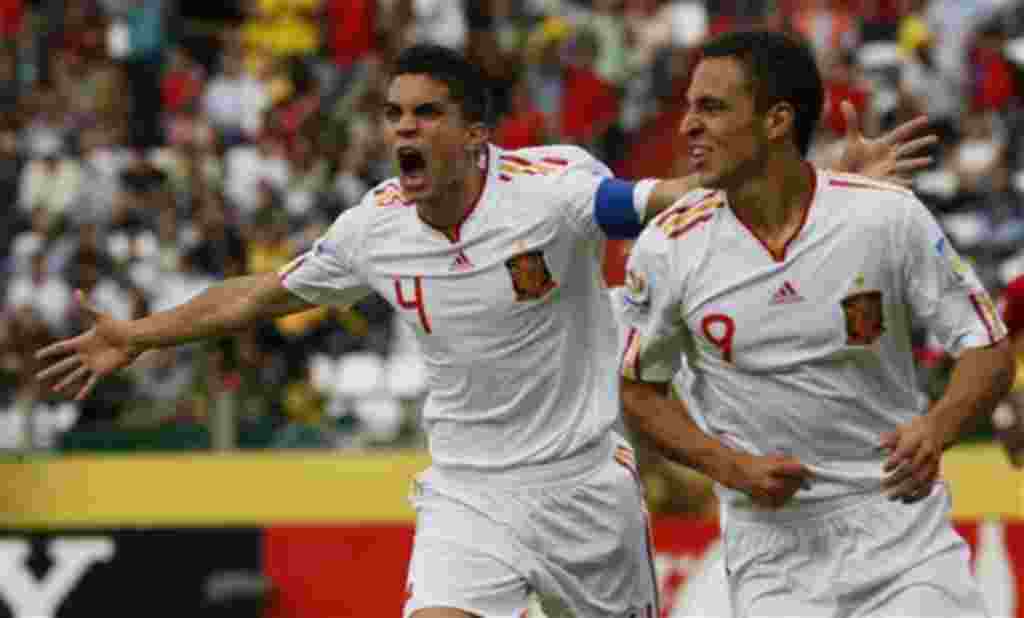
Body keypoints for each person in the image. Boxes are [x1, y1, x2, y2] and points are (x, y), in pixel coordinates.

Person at [36, 43, 936, 618]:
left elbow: (671, 200)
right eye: (393, 115)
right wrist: (139, 336)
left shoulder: (550, 191)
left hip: (586, 484)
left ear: (474, 132)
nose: (404, 130)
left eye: (425, 114)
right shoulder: (373, 228)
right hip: (469, 492)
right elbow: (258, 297)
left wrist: (815, 180)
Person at [616, 30, 1014, 618]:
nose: (687, 126)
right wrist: (730, 467)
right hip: (772, 551)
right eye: (688, 107)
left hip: (901, 534)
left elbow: (987, 346)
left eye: (712, 107)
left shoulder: (884, 216)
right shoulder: (668, 247)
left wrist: (936, 428)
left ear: (777, 121)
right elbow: (638, 389)